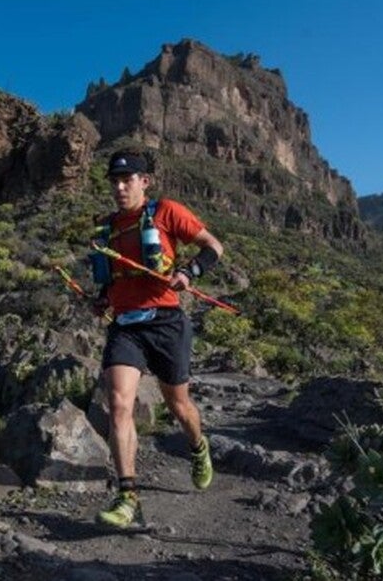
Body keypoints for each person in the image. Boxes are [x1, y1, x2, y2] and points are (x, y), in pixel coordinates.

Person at [92, 150, 223, 529]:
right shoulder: (108, 228)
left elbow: (213, 246)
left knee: (179, 405)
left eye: (127, 179)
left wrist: (190, 272)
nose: (119, 187)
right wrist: (101, 300)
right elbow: (110, 282)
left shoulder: (166, 212)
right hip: (126, 327)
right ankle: (127, 496)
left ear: (144, 181)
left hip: (166, 322)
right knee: (118, 403)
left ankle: (198, 447)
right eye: (114, 181)